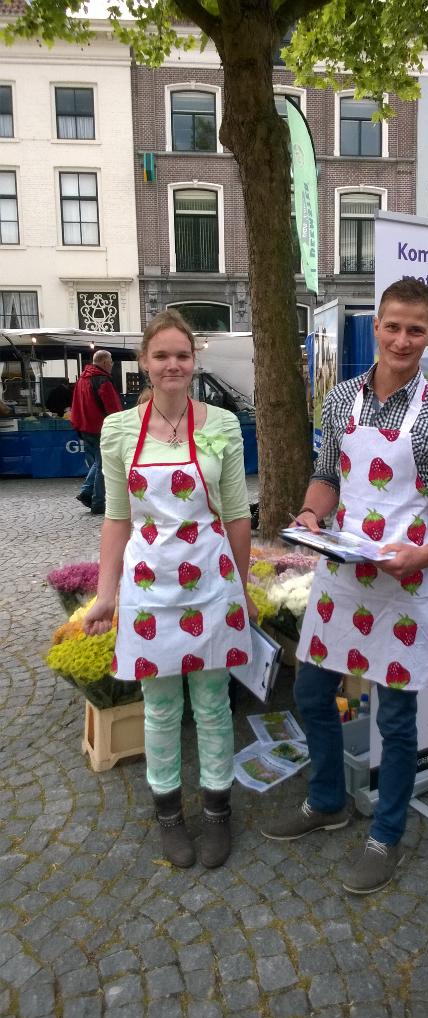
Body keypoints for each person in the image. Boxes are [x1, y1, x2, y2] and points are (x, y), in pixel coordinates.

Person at [262, 278, 428, 895]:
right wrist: (310, 516)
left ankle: (385, 834)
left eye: (416, 329)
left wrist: (422, 555)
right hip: (340, 573)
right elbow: (326, 475)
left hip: (402, 581)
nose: (403, 339)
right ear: (377, 326)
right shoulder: (339, 402)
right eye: (393, 326)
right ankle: (329, 798)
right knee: (309, 691)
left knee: (397, 717)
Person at [83, 308, 257, 869]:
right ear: (145, 363)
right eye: (161, 356)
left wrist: (244, 588)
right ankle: (167, 814)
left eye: (182, 354)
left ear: (193, 360)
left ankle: (216, 811)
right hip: (148, 587)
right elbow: (116, 518)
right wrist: (106, 595)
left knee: (211, 705)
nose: (173, 364)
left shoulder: (224, 426)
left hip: (211, 583)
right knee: (159, 709)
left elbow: (235, 516)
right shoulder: (119, 430)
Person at [70, 350, 122, 514]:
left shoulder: (82, 379)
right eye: (111, 361)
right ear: (106, 362)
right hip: (100, 428)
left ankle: (86, 492)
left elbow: (75, 405)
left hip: (85, 428)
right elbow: (113, 408)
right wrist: (120, 425)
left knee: (98, 463)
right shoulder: (102, 380)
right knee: (102, 465)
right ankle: (98, 501)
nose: (112, 365)